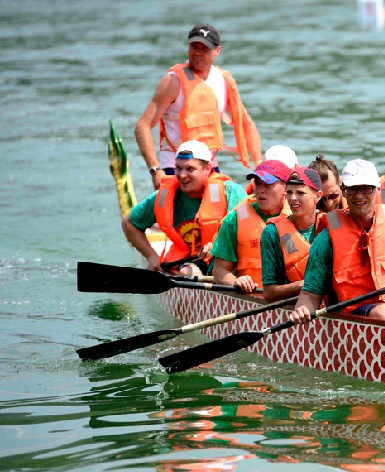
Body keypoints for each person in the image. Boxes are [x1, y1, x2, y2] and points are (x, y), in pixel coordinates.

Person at [288, 159, 385, 327]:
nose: (359, 195)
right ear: (344, 192)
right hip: (354, 315)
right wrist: (302, 310)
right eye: (353, 189)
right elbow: (311, 294)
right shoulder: (326, 239)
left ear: (378, 189)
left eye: (366, 188)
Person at [135, 23, 262, 190]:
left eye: (205, 48)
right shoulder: (173, 82)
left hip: (207, 165)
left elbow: (246, 123)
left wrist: (259, 166)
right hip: (175, 167)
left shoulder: (223, 80)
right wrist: (155, 169)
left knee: (219, 211)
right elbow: (142, 126)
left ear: (217, 51)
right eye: (194, 47)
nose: (198, 53)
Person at [121, 140, 247, 276]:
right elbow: (129, 222)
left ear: (207, 169)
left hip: (228, 263)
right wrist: (151, 256)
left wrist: (218, 245)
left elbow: (248, 227)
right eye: (178, 168)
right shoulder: (164, 196)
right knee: (189, 271)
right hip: (189, 262)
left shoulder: (232, 192)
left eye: (190, 169)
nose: (182, 175)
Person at [210, 159, 291, 291]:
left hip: (290, 298)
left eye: (267, 185)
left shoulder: (300, 217)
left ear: (286, 188)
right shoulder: (234, 220)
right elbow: (220, 271)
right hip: (251, 295)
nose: (260, 190)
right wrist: (236, 282)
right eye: (258, 184)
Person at [260, 167, 323, 302]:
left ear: (318, 196)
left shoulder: (332, 224)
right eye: (289, 192)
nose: (293, 198)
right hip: (294, 308)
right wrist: (304, 285)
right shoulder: (272, 233)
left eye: (300, 193)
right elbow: (269, 293)